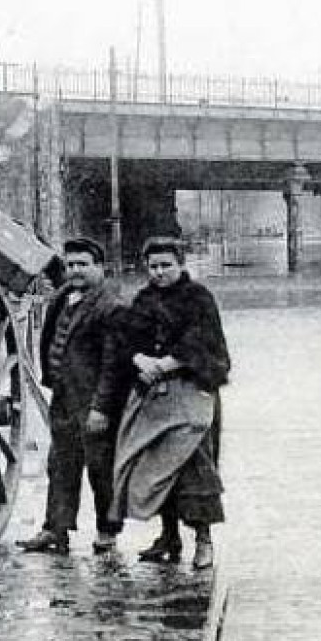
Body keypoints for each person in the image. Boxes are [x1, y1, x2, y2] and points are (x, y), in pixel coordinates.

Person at [111, 237, 231, 570]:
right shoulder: (144, 300)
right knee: (157, 466)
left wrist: (168, 363)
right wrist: (138, 359)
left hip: (192, 390)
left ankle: (203, 540)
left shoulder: (198, 298)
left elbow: (205, 341)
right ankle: (169, 535)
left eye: (166, 265)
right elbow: (127, 338)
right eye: (153, 267)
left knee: (195, 466)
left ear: (181, 265)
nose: (160, 272)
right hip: (155, 396)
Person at [18, 237, 128, 556]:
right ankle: (56, 529)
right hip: (65, 395)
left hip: (95, 400)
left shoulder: (112, 306)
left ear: (99, 268)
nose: (76, 271)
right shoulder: (62, 297)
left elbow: (113, 364)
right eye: (70, 265)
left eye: (83, 265)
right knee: (61, 462)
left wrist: (102, 408)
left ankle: (108, 531)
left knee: (100, 466)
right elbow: (51, 337)